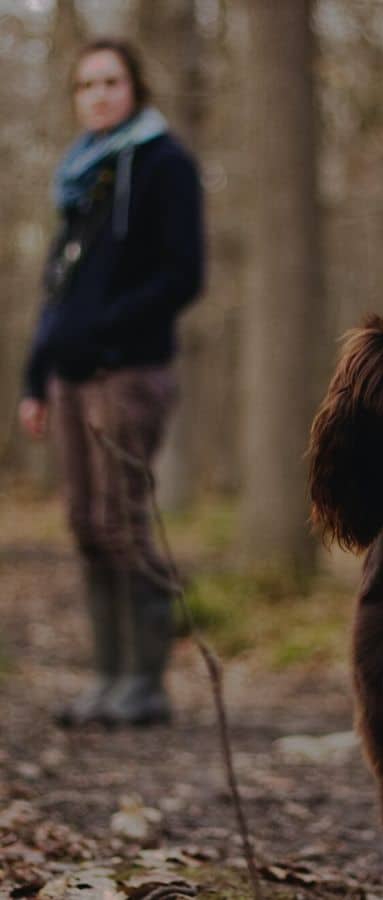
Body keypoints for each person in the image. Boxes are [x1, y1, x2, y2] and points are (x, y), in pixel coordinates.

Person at [18, 38, 205, 727]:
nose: (97, 93)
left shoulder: (164, 165)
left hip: (128, 373)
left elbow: (183, 276)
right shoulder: (81, 178)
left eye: (111, 81)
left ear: (135, 88)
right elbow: (56, 290)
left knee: (125, 523)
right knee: (85, 524)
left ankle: (144, 683)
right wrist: (34, 378)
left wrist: (103, 330)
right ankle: (106, 677)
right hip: (68, 380)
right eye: (86, 84)